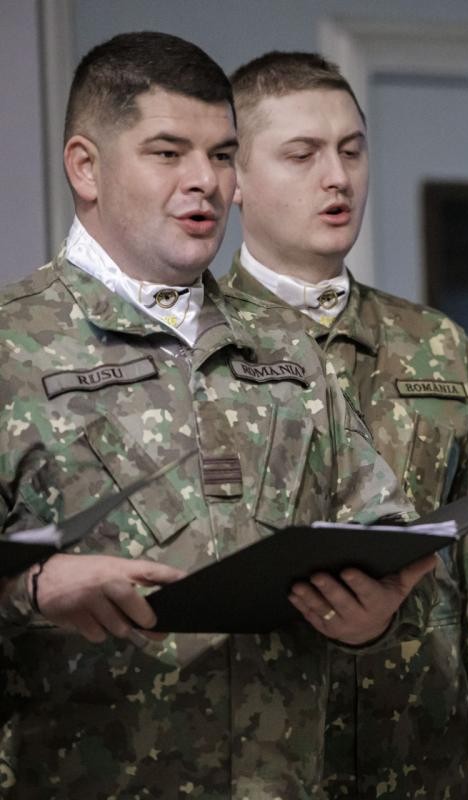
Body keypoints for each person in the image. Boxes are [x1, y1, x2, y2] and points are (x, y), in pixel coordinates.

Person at [0, 32, 437, 798]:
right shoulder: (11, 345)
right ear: (86, 167)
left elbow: (381, 527)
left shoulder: (286, 343)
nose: (206, 181)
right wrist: (30, 588)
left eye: (223, 155)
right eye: (168, 153)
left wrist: (373, 614)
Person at [219, 51, 468, 799]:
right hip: (259, 770)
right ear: (233, 177)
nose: (336, 177)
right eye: (302, 155)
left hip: (423, 765)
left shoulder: (435, 345)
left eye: (351, 150)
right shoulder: (194, 346)